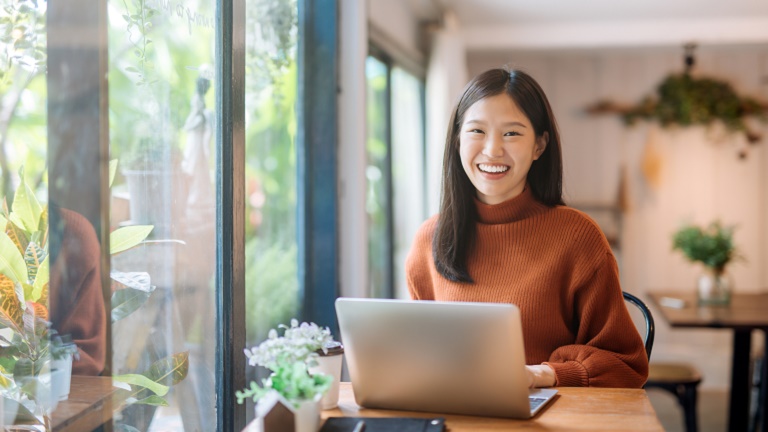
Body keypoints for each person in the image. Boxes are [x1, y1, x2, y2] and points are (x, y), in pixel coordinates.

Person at [405, 68, 648, 388]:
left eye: (511, 133)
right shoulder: (429, 238)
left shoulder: (577, 237)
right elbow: (416, 350)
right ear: (457, 140)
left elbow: (626, 363)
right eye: (477, 131)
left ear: (539, 146)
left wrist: (544, 374)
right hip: (454, 410)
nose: (492, 150)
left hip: (548, 416)